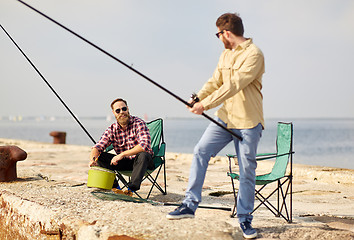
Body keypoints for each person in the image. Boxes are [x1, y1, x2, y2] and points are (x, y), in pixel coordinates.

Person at [166, 13, 265, 239]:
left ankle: (245, 219)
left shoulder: (254, 54)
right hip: (225, 119)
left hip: (249, 123)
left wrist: (205, 105)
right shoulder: (225, 55)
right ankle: (190, 205)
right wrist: (197, 97)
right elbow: (216, 81)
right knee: (200, 151)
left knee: (247, 171)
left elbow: (234, 85)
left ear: (226, 33)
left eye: (219, 34)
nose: (218, 37)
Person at [89, 98, 154, 195]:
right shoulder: (112, 129)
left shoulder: (138, 123)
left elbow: (144, 145)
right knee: (100, 157)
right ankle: (116, 188)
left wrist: (122, 155)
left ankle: (130, 190)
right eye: (118, 111)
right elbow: (98, 147)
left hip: (143, 162)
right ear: (114, 113)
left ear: (128, 109)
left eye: (124, 109)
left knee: (143, 155)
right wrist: (92, 159)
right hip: (125, 163)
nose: (121, 112)